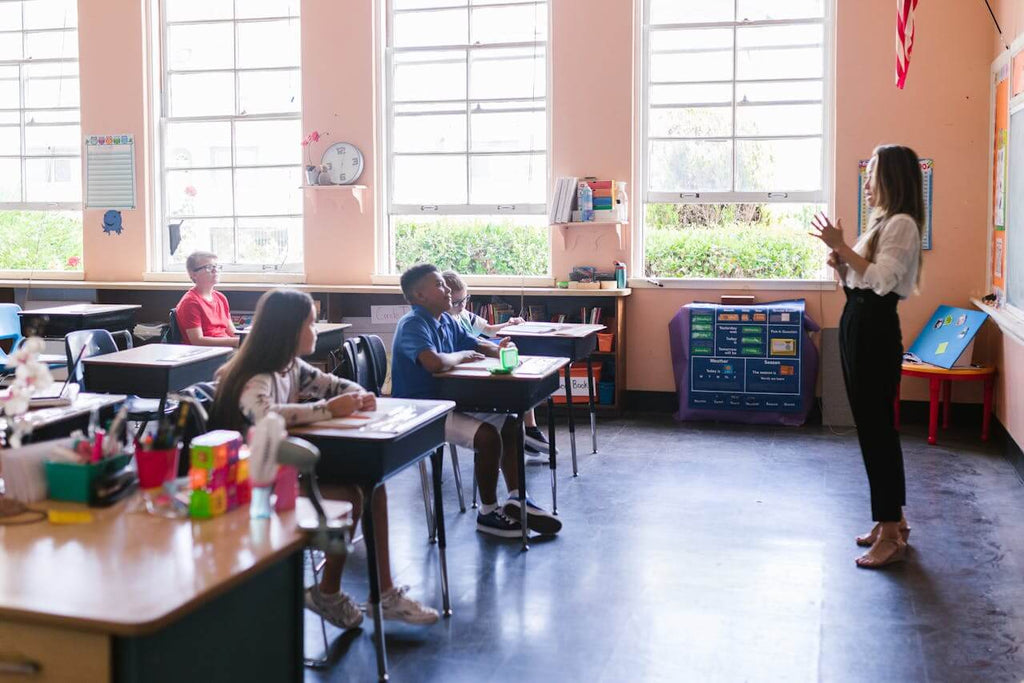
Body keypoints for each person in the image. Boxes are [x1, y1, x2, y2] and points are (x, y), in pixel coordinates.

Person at [210, 288, 439, 627]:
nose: (316, 331)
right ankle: (333, 593)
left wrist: (358, 396)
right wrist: (325, 410)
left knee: (370, 487)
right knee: (354, 494)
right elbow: (264, 414)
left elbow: (335, 385)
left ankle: (377, 593)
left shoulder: (291, 367)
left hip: (283, 474)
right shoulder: (256, 377)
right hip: (250, 485)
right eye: (311, 324)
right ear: (288, 329)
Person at [810, 144, 924, 569]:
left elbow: (880, 280)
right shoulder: (882, 223)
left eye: (873, 173)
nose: (868, 182)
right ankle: (891, 517)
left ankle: (891, 532)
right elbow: (859, 280)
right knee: (871, 426)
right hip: (859, 321)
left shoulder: (903, 226)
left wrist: (845, 247)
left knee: (877, 428)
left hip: (875, 329)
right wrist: (841, 264)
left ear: (892, 177)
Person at [391, 263, 562, 538]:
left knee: (510, 423)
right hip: (422, 411)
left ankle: (517, 499)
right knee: (488, 437)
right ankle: (488, 512)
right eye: (439, 285)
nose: (446, 289)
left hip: (448, 402)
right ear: (419, 296)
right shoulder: (413, 324)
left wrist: (500, 351)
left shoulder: (445, 319)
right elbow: (433, 362)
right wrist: (460, 357)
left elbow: (475, 343)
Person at [441, 269, 558, 457]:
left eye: (465, 299)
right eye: (456, 302)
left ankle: (529, 427)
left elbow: (488, 330)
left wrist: (509, 325)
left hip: (478, 359)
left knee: (517, 366)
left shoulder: (464, 315)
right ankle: (525, 430)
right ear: (444, 299)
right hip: (466, 372)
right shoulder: (445, 321)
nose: (462, 305)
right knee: (513, 382)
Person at [175, 251, 240, 347]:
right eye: (209, 267)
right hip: (205, 353)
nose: (215, 270)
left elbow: (232, 332)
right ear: (193, 274)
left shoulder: (221, 298)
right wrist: (236, 342)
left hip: (227, 348)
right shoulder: (190, 302)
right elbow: (197, 340)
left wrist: (250, 338)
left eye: (216, 266)